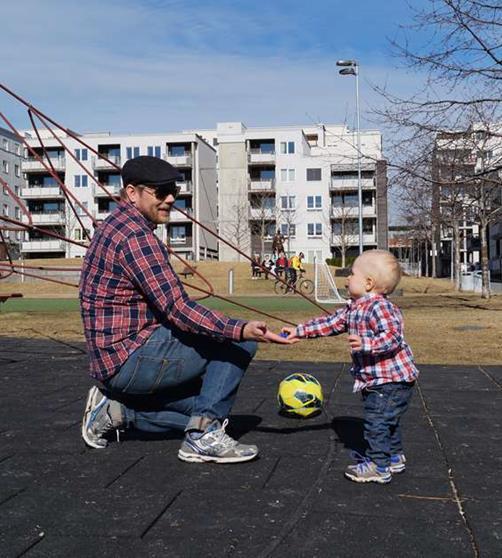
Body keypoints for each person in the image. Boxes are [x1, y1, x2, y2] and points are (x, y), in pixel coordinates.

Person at [80, 156, 288, 464]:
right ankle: (203, 437)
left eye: (173, 189)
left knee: (202, 405)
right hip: (129, 358)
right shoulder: (135, 237)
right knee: (238, 343)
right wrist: (240, 328)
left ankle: (118, 412)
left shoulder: (114, 225)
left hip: (113, 360)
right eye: (161, 191)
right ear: (132, 193)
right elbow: (177, 308)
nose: (171, 198)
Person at [281, 250, 419, 483]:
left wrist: (367, 343)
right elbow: (329, 323)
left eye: (352, 274)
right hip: (379, 380)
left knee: (377, 422)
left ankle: (378, 466)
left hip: (391, 381)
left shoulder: (380, 308)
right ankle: (393, 458)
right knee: (388, 421)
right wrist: (300, 331)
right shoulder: (354, 308)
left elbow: (393, 337)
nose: (346, 278)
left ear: (368, 283)